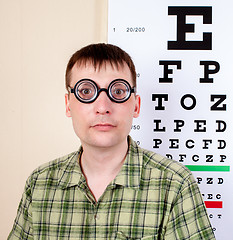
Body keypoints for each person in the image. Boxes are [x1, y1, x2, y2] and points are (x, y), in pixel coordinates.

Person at [8, 43, 215, 239]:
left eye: (118, 91)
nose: (103, 107)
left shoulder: (175, 184)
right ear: (68, 104)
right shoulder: (39, 184)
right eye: (86, 91)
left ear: (136, 105)